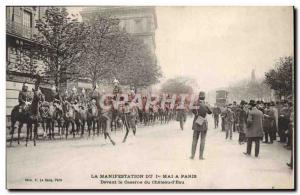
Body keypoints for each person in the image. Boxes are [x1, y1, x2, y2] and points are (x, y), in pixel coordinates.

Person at [190, 91, 212, 160]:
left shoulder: (195, 104)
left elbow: (193, 111)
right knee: (202, 140)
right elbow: (210, 112)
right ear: (204, 97)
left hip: (197, 122)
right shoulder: (205, 104)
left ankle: (192, 156)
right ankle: (201, 156)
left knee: (194, 140)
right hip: (203, 123)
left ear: (198, 96)